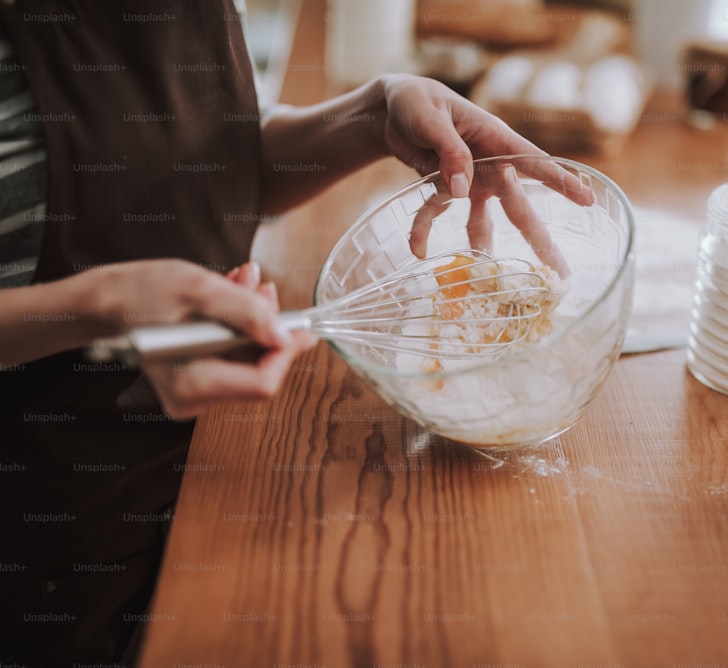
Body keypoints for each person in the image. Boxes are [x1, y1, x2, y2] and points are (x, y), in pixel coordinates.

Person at [0, 3, 551, 664]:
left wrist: (375, 113)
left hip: (213, 462)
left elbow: (209, 155)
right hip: (51, 522)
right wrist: (101, 303)